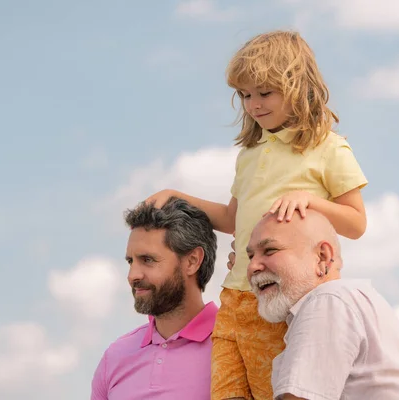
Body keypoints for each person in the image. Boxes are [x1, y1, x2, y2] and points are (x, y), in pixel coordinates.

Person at [145, 30, 368, 400]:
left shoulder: (328, 148)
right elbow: (233, 220)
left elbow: (356, 223)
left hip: (280, 299)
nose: (254, 105)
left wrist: (308, 200)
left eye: (265, 93)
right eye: (245, 95)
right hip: (234, 300)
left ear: (296, 87)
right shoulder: (249, 154)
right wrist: (175, 195)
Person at [245, 210, 399, 400]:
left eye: (270, 250)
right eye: (250, 257)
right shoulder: (351, 299)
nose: (252, 267)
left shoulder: (327, 300)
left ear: (322, 256)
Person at [90, 197, 219, 400]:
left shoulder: (236, 344)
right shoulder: (115, 356)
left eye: (147, 260)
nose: (132, 275)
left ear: (192, 261)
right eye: (131, 261)